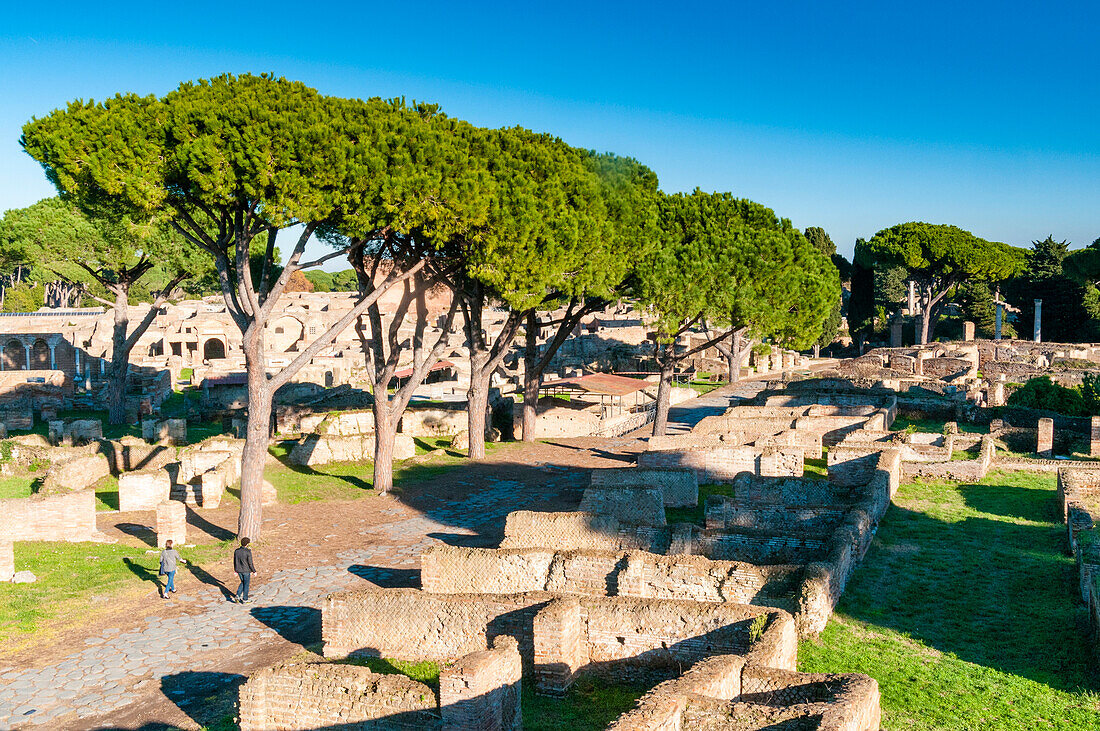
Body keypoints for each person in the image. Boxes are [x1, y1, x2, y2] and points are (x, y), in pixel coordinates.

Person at [233, 536, 257, 604]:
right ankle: (245, 599)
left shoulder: (236, 551)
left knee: (243, 582)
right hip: (246, 571)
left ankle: (238, 595)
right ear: (247, 544)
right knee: (246, 584)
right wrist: (254, 571)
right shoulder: (248, 552)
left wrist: (235, 570)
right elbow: (250, 563)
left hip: (239, 570)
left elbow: (235, 561)